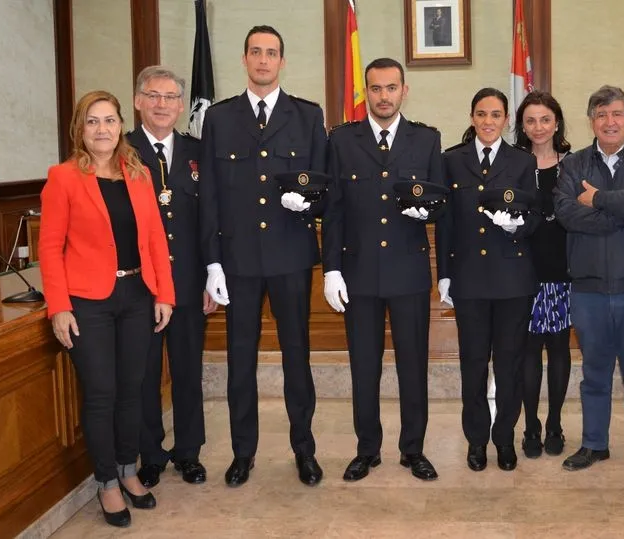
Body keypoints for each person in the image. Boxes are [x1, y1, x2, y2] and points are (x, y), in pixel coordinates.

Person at [198, 25, 328, 487]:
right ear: (244, 59)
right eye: (256, 52)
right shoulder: (219, 118)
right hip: (238, 262)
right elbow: (209, 194)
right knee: (240, 362)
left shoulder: (308, 116)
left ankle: (304, 451)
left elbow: (322, 186)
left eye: (272, 53)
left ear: (282, 61)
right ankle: (242, 453)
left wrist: (308, 203)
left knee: (298, 358)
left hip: (291, 256)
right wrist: (212, 261)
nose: (263, 60)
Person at [39, 90, 175, 527]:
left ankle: (128, 469)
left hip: (136, 297)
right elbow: (50, 246)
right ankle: (106, 482)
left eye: (110, 120)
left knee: (133, 390)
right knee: (102, 394)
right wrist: (58, 306)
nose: (103, 129)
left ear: (122, 125)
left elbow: (155, 238)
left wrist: (164, 294)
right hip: (87, 303)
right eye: (93, 122)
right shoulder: (62, 177)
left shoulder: (137, 173)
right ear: (80, 128)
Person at [318, 58, 442, 482]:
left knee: (413, 365)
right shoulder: (342, 140)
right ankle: (366, 449)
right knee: (363, 366)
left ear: (404, 90)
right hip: (359, 273)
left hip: (408, 273)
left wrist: (427, 207)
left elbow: (439, 202)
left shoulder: (426, 139)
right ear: (365, 92)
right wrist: (330, 269)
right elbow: (333, 209)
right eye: (375, 88)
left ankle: (414, 450)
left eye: (391, 88)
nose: (383, 96)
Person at [553, 85, 624, 481]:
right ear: (592, 122)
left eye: (617, 114)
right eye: (601, 115)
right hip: (588, 288)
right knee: (595, 372)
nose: (610, 122)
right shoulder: (573, 165)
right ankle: (594, 444)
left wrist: (600, 199)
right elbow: (568, 214)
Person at [437, 88, 540, 472]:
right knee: (473, 364)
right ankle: (477, 441)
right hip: (469, 280)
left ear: (506, 119)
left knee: (510, 364)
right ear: (471, 117)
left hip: (513, 279)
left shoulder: (522, 160)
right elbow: (446, 222)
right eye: (481, 114)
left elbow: (533, 217)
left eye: (495, 114)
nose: (488, 122)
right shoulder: (452, 160)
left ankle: (505, 438)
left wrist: (517, 225)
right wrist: (444, 275)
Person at [127, 66, 216, 488]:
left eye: (170, 97)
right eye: (153, 96)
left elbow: (209, 220)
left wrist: (209, 280)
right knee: (143, 373)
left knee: (187, 369)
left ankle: (189, 453)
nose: (162, 104)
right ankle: (150, 454)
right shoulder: (120, 151)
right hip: (138, 288)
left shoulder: (198, 151)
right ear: (138, 101)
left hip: (187, 282)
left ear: (182, 105)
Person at [513, 91, 573, 459]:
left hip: (564, 270)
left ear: (557, 123)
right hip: (522, 270)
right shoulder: (513, 164)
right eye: (530, 120)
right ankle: (531, 426)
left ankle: (555, 424)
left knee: (560, 348)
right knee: (528, 351)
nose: (538, 127)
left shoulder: (575, 163)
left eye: (545, 120)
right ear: (522, 125)